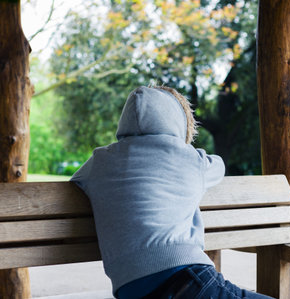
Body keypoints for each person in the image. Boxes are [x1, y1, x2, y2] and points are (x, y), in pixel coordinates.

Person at [71, 86, 273, 299]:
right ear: (176, 120)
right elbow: (218, 166)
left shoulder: (100, 160)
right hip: (187, 280)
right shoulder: (189, 158)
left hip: (130, 289)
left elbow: (76, 181)